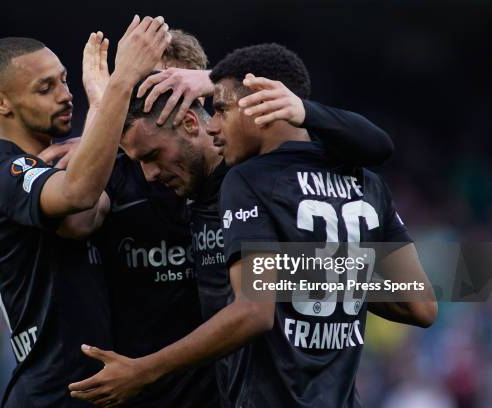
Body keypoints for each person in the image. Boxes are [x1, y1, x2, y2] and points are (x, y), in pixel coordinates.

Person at [68, 44, 433, 407]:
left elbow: (255, 310)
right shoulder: (367, 182)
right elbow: (422, 305)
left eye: (221, 108)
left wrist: (144, 370)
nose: (214, 125)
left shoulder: (245, 179)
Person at [0, 16, 170, 407]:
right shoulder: (4, 173)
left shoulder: (61, 163)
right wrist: (118, 84)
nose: (65, 95)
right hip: (50, 394)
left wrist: (100, 105)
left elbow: (90, 205)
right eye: (45, 88)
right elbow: (81, 196)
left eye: (64, 80)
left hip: (96, 392)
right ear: (0, 102)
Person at [39, 29, 221, 408]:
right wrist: (101, 115)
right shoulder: (115, 172)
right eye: (140, 90)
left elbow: (257, 310)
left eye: (170, 90)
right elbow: (76, 218)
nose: (150, 103)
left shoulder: (248, 174)